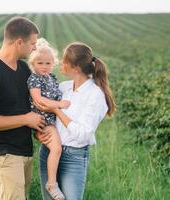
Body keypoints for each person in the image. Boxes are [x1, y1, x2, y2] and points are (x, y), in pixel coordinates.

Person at [0, 16, 45, 200]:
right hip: (3, 153)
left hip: (24, 150)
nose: (35, 48)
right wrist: (26, 119)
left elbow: (31, 104)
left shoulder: (22, 69)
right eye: (32, 43)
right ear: (19, 42)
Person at [36, 42, 116, 200]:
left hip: (73, 157)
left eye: (64, 61)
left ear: (76, 68)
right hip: (49, 151)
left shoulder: (95, 95)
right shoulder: (64, 87)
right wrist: (39, 135)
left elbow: (83, 134)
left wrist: (56, 110)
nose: (60, 63)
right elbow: (42, 110)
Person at [27, 38, 70, 200]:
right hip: (43, 119)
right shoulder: (34, 79)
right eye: (40, 63)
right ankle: (52, 184)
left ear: (53, 63)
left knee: (57, 149)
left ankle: (55, 180)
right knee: (57, 149)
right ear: (33, 63)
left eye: (48, 63)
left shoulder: (51, 77)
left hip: (53, 119)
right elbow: (39, 100)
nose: (44, 67)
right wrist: (60, 104)